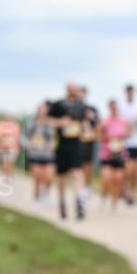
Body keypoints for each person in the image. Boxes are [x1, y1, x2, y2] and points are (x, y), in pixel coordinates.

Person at [48, 82, 89, 221]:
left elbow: (85, 123)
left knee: (77, 173)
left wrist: (85, 129)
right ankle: (62, 204)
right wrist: (60, 122)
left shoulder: (81, 106)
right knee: (62, 177)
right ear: (67, 90)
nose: (74, 91)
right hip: (62, 145)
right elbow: (47, 120)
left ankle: (79, 203)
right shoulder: (59, 105)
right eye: (72, 89)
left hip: (76, 144)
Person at [97, 99, 132, 211]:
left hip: (120, 153)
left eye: (115, 107)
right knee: (107, 178)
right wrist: (107, 137)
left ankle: (114, 202)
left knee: (118, 179)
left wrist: (121, 138)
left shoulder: (124, 121)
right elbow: (98, 135)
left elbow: (129, 133)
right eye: (112, 107)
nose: (114, 109)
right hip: (107, 153)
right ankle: (104, 195)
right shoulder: (105, 121)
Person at [119, 83, 137, 205]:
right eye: (128, 91)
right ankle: (125, 190)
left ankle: (132, 192)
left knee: (136, 170)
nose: (130, 94)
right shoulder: (121, 107)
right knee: (128, 170)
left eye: (132, 91)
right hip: (126, 143)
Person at [24, 102, 56, 204]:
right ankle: (37, 197)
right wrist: (27, 144)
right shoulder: (31, 123)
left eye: (45, 111)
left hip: (48, 155)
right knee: (38, 176)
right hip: (35, 154)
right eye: (41, 111)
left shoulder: (52, 124)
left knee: (49, 177)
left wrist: (54, 145)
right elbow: (24, 137)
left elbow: (57, 138)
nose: (42, 113)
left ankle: (46, 194)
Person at [78, 86, 99, 202]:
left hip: (89, 142)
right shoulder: (75, 109)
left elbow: (97, 125)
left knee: (88, 166)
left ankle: (88, 188)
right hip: (78, 142)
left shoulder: (92, 109)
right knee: (78, 167)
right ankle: (81, 189)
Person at [0, 114, 21, 179]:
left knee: (11, 162)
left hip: (13, 148)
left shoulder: (16, 125)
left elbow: (17, 136)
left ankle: (10, 175)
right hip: (2, 148)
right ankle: (6, 175)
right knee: (4, 163)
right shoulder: (0, 125)